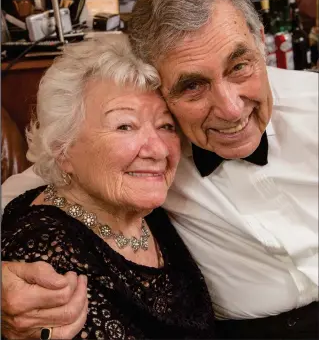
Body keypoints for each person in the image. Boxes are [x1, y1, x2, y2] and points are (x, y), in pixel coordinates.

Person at [2, 0, 318, 340]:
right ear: (160, 87)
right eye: (192, 85)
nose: (231, 110)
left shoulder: (312, 106)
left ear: (260, 42)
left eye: (239, 66)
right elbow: (44, 183)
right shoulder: (152, 154)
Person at [1, 35, 215, 339]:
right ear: (63, 149)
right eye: (124, 126)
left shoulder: (147, 211)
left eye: (166, 126)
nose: (158, 150)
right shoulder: (44, 256)